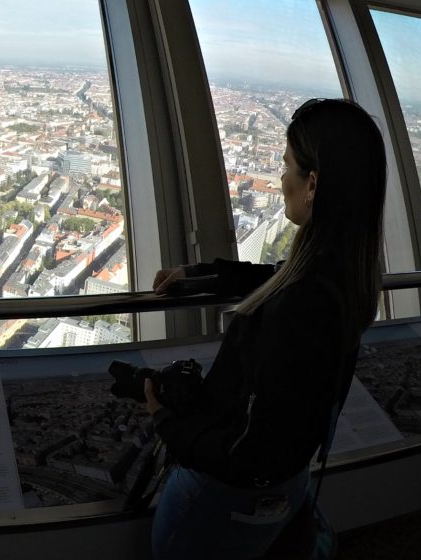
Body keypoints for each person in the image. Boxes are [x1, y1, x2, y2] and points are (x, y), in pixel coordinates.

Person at [145, 98, 387, 560]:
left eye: (287, 166)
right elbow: (278, 276)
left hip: (219, 498)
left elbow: (251, 454)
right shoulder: (345, 275)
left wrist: (167, 422)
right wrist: (200, 274)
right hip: (286, 487)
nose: (281, 179)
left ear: (312, 184)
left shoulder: (302, 309)